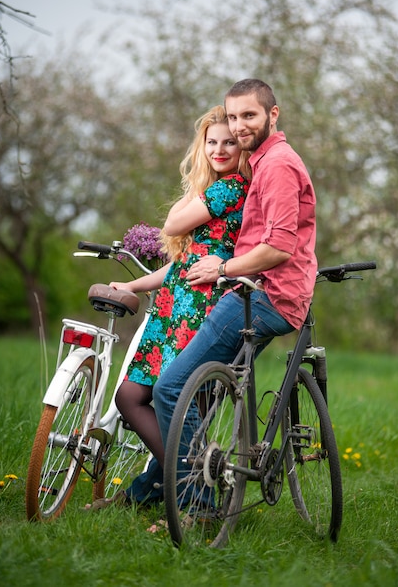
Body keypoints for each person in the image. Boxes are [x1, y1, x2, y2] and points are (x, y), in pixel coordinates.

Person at [122, 78, 318, 506]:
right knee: (188, 392)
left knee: (171, 389)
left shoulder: (278, 164)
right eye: (233, 116)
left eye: (248, 115)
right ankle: (143, 494)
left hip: (263, 296)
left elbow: (281, 244)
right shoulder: (262, 164)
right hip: (256, 292)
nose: (240, 126)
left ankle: (200, 505)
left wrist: (224, 268)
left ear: (273, 114)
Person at [85, 105, 251, 510]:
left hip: (198, 311)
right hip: (175, 307)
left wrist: (194, 190)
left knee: (150, 400)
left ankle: (189, 489)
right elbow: (182, 264)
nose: (219, 149)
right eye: (211, 142)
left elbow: (173, 226)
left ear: (242, 148)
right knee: (140, 399)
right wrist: (134, 283)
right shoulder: (215, 188)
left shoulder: (228, 188)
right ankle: (171, 485)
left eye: (229, 142)